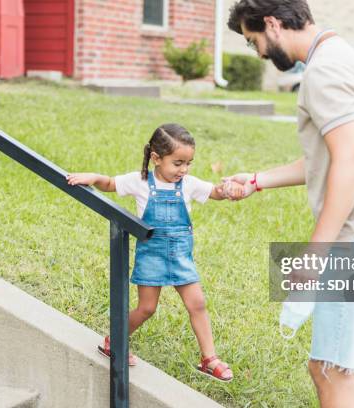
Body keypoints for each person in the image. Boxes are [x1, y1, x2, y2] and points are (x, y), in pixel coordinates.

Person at [226, 0, 354, 406]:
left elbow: (351, 163)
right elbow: (333, 155)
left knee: (329, 369)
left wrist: (316, 254)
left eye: (254, 42)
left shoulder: (323, 73)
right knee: (352, 366)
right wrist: (258, 181)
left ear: (272, 24)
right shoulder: (340, 54)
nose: (260, 53)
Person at [67, 123, 241, 382]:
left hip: (181, 256)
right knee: (147, 308)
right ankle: (114, 342)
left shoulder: (189, 184)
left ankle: (209, 359)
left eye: (188, 163)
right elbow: (111, 184)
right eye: (178, 163)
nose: (183, 170)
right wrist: (93, 177)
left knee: (198, 304)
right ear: (156, 159)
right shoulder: (140, 182)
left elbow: (213, 192)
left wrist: (227, 190)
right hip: (151, 255)